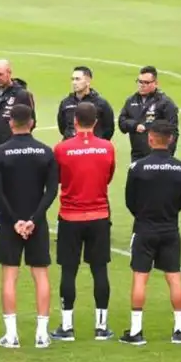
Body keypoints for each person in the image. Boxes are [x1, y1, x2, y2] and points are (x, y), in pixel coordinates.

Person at [0, 104, 58, 349]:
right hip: (36, 222)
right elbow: (51, 191)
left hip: (10, 224)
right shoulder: (46, 152)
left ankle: (11, 335)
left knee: (9, 276)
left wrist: (15, 220)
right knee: (41, 275)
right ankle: (42, 335)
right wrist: (33, 219)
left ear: (10, 123)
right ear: (32, 122)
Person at [120, 120, 181, 346]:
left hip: (144, 228)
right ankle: (179, 330)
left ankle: (136, 331)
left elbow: (130, 200)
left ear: (150, 138)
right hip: (170, 227)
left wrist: (142, 215)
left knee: (140, 277)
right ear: (170, 139)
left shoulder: (138, 167)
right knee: (174, 276)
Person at [51, 102, 116, 342]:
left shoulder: (61, 148)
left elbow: (58, 178)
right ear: (96, 122)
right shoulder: (107, 148)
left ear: (75, 121)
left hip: (70, 216)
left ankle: (67, 327)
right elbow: (108, 177)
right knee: (100, 269)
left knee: (69, 270)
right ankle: (101, 326)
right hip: (99, 215)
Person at [0, 59, 35, 238]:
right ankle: (0, 222)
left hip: (14, 148)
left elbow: (31, 121)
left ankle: (19, 220)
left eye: (0, 74)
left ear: (9, 73)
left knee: (15, 185)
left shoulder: (22, 94)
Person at [118, 66, 180, 161]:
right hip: (137, 155)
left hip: (158, 156)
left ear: (156, 83)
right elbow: (122, 122)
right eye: (139, 81)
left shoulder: (165, 103)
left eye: (146, 82)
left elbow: (173, 131)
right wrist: (134, 125)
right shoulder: (131, 101)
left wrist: (167, 156)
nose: (142, 85)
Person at [56, 66, 115, 141]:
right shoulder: (65, 103)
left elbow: (108, 130)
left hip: (93, 147)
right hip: (71, 148)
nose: (74, 82)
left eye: (77, 79)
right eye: (72, 79)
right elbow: (62, 128)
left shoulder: (101, 103)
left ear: (88, 81)